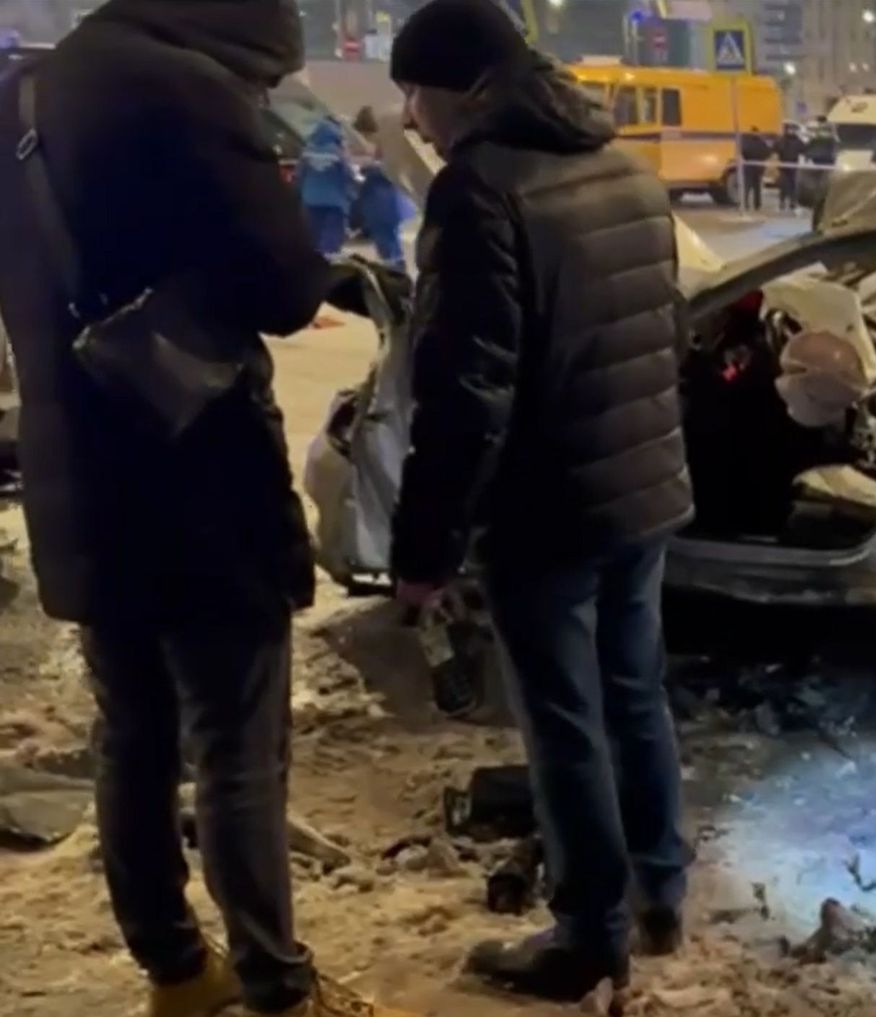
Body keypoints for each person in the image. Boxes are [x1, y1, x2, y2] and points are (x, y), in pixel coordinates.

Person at [0, 3, 418, 1017]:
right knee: (237, 746)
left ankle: (179, 973)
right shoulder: (186, 93)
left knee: (132, 736)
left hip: (78, 468)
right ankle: (280, 987)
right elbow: (278, 283)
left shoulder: (28, 90)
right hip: (195, 479)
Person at [386, 0, 693, 1002]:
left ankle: (588, 935)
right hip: (642, 489)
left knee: (565, 722)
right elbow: (661, 332)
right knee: (635, 694)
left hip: (548, 509)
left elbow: (463, 389)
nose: (410, 113)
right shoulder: (624, 164)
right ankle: (658, 892)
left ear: (464, 88)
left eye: (416, 92)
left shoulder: (479, 192)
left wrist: (423, 549)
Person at [297, 116, 357, 255]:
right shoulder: (337, 153)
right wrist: (352, 195)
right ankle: (329, 260)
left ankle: (314, 260)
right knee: (332, 235)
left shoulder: (307, 151)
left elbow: (300, 175)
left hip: (310, 200)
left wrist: (300, 193)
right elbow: (347, 176)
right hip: (334, 202)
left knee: (312, 234)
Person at [355, 161, 407, 271]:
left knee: (383, 241)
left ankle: (391, 264)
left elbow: (361, 201)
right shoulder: (390, 179)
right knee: (392, 237)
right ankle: (398, 261)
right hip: (393, 213)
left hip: (376, 216)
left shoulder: (368, 184)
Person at [773, 123, 805, 213]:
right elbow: (775, 150)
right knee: (783, 185)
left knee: (793, 185)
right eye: (790, 129)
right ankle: (782, 202)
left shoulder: (797, 140)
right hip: (783, 165)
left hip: (793, 165)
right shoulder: (781, 140)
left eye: (793, 129)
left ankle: (793, 202)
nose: (791, 131)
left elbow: (803, 149)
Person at [739, 129, 770, 211]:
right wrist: (762, 159)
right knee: (757, 188)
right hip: (758, 166)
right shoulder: (762, 142)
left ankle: (745, 204)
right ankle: (757, 205)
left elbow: (743, 151)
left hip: (749, 165)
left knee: (747, 186)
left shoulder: (747, 142)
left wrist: (747, 158)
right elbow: (767, 153)